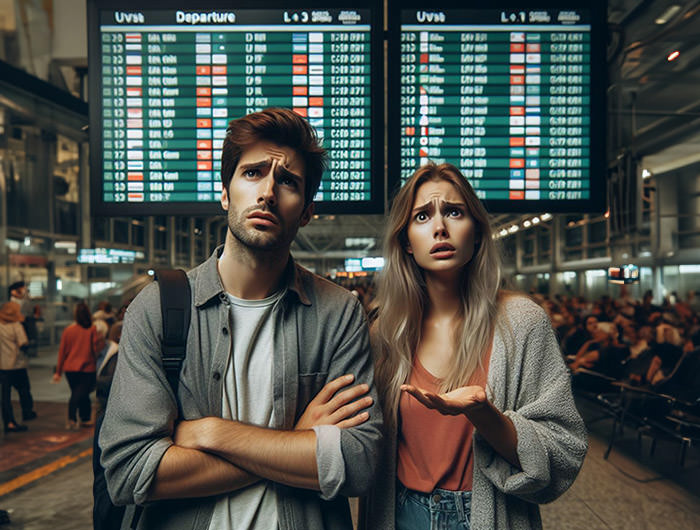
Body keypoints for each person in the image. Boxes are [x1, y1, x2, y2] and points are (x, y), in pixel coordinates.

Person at [100, 108, 382, 529]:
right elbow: (130, 472)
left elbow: (358, 464)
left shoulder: (337, 312)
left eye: (288, 181)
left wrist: (212, 433)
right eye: (252, 173)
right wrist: (296, 442)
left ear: (305, 211)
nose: (268, 191)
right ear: (226, 193)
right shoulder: (158, 307)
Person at [360, 163, 587, 529]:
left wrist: (485, 414)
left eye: (454, 211)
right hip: (400, 513)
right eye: (422, 216)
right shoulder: (385, 332)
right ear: (405, 242)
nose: (440, 227)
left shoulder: (521, 323)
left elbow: (564, 451)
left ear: (478, 232)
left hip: (486, 516)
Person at [53, 302, 102, 430]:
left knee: (81, 393)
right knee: (79, 394)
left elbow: (62, 351)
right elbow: (95, 349)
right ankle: (72, 418)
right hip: (87, 368)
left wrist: (58, 371)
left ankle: (85, 418)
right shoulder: (92, 329)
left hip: (70, 369)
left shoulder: (68, 330)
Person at [0, 301, 36, 433]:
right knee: (24, 390)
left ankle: (8, 422)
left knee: (5, 396)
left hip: (2, 366)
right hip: (16, 365)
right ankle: (27, 412)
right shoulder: (16, 326)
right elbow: (23, 344)